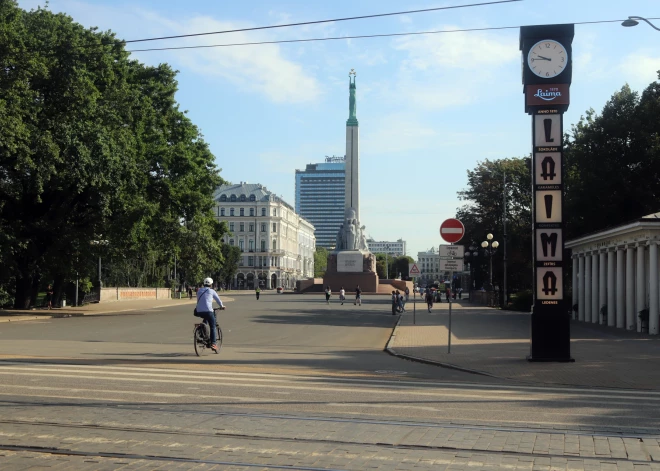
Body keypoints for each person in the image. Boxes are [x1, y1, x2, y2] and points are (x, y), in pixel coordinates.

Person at [195, 277, 224, 352]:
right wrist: (222, 306)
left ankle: (202, 333)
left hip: (199, 311)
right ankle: (213, 343)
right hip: (208, 311)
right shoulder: (212, 291)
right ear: (211, 284)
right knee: (213, 326)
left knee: (205, 320)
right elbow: (218, 300)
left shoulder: (199, 290)